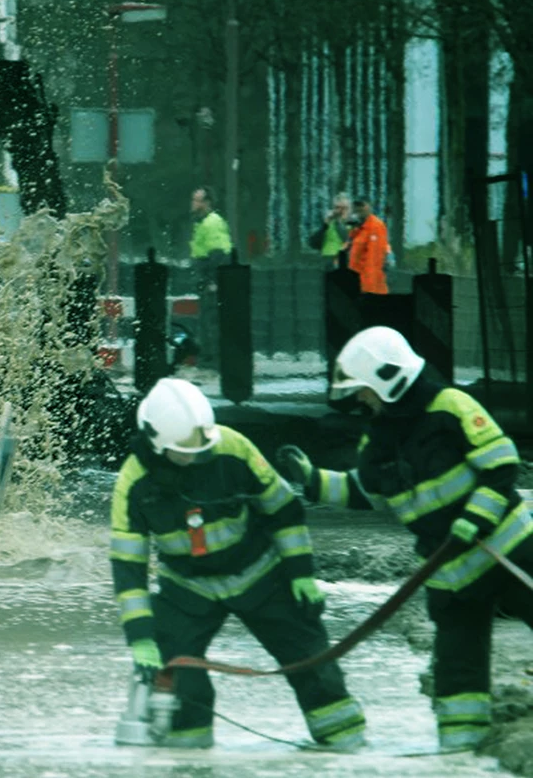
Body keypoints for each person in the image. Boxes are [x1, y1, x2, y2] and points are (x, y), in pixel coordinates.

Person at [278, 326, 533, 751]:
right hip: (448, 572)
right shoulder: (378, 436)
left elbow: (502, 464)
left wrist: (476, 518)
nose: (360, 399)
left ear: (386, 378)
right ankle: (460, 752)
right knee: (457, 669)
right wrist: (313, 481)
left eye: (363, 390)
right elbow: (366, 490)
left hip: (506, 550)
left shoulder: (450, 406)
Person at [110, 377, 366, 749]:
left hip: (259, 572)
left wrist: (301, 574)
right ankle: (189, 764)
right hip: (188, 587)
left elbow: (284, 508)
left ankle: (348, 749)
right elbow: (127, 568)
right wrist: (141, 639)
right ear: (155, 441)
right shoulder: (134, 483)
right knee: (181, 676)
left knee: (311, 658)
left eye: (202, 445)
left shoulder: (232, 446)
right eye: (184, 449)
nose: (195, 454)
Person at [188, 187, 233, 363]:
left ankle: (213, 359)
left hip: (210, 280)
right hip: (205, 279)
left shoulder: (211, 223)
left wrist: (212, 280)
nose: (193, 204)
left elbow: (218, 253)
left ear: (207, 203)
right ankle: (210, 357)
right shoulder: (202, 223)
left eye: (197, 200)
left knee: (212, 320)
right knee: (207, 319)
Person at [346, 199, 389, 294]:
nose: (358, 208)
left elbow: (374, 260)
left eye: (362, 205)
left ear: (369, 207)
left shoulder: (376, 226)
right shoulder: (357, 227)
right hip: (356, 283)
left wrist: (368, 290)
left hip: (369, 288)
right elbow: (348, 248)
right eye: (356, 206)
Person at [307, 192, 351, 268]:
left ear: (350, 210)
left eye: (344, 208)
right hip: (328, 264)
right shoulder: (327, 224)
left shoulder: (356, 225)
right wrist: (325, 225)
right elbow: (313, 244)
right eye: (337, 207)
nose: (341, 211)